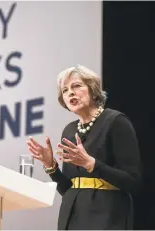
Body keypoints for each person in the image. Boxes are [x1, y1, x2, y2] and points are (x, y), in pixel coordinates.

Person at [26, 65, 142, 230]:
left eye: (76, 86)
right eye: (65, 90)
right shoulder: (70, 130)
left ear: (93, 89)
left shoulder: (116, 121)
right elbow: (68, 189)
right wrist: (50, 166)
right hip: (72, 218)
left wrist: (91, 164)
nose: (70, 93)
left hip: (107, 217)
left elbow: (133, 181)